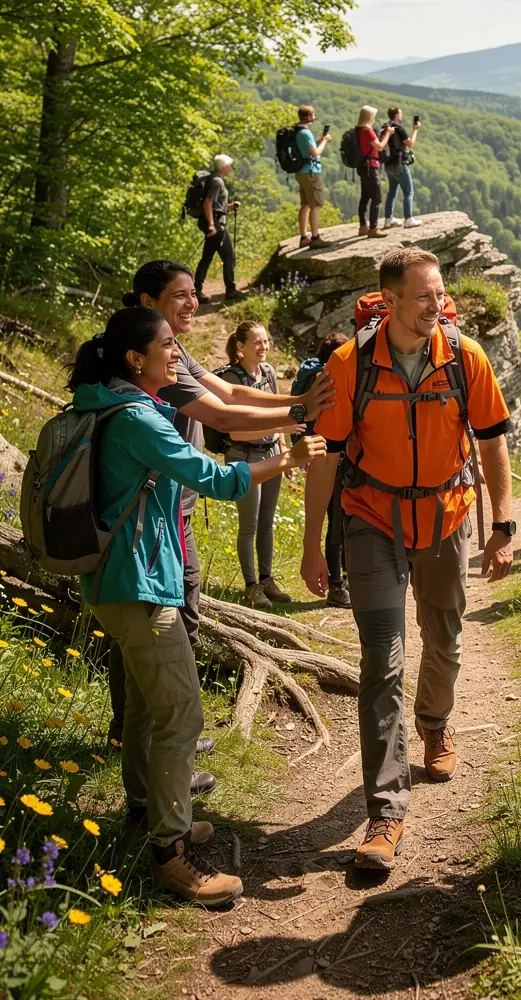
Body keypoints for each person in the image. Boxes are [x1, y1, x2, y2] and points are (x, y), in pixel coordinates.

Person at [69, 307, 326, 904]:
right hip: (136, 586)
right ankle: (171, 853)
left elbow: (225, 410)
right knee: (182, 716)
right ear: (137, 359)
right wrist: (287, 457)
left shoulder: (112, 401)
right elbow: (214, 477)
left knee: (141, 708)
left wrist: (287, 424)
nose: (178, 356)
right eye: (168, 348)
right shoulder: (136, 417)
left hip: (122, 580)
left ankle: (147, 815)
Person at [301, 245, 515, 871]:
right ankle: (385, 813)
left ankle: (436, 722)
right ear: (390, 301)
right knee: (382, 663)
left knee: (444, 638)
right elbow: (328, 454)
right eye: (423, 296)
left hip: (447, 517)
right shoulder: (350, 365)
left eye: (439, 293)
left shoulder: (463, 357)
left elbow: (494, 436)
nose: (436, 305)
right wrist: (315, 541)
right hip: (372, 520)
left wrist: (502, 522)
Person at [107, 260, 335, 771]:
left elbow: (231, 393)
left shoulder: (169, 349)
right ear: (147, 303)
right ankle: (153, 745)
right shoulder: (148, 363)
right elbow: (224, 416)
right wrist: (300, 413)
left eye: (195, 293)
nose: (193, 303)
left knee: (169, 626)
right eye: (180, 295)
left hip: (172, 514)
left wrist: (298, 400)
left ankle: (159, 741)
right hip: (152, 521)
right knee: (160, 632)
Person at [221, 321, 292, 606]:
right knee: (248, 525)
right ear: (240, 347)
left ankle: (266, 580)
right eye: (257, 342)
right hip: (245, 457)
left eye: (266, 341)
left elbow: (276, 409)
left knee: (267, 522)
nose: (264, 347)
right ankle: (251, 587)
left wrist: (283, 447)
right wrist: (271, 431)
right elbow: (235, 431)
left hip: (272, 453)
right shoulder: (231, 378)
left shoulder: (269, 372)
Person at [291, 332, 351, 609]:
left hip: (320, 456)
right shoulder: (328, 381)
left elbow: (298, 413)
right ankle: (337, 585)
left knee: (337, 521)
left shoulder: (311, 376)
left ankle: (342, 582)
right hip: (331, 458)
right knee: (338, 523)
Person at [194, 154, 241, 304]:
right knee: (228, 257)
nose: (230, 168)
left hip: (214, 223)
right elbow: (208, 203)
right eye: (229, 166)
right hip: (216, 226)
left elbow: (216, 207)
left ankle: (197, 290)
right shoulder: (217, 182)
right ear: (223, 167)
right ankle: (231, 291)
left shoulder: (214, 179)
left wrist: (230, 207)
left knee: (207, 258)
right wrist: (212, 225)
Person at [293, 105, 331, 249]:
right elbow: (315, 153)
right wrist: (325, 140)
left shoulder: (297, 131)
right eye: (313, 114)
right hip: (310, 171)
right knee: (315, 204)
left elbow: (307, 150)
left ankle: (304, 237)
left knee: (305, 204)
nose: (314, 117)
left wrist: (318, 139)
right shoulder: (305, 133)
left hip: (300, 172)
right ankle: (315, 238)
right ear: (309, 116)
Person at [356, 105, 394, 240]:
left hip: (362, 167)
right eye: (373, 115)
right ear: (369, 116)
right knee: (377, 198)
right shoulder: (367, 130)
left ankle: (363, 226)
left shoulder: (358, 130)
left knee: (365, 197)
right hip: (370, 167)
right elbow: (380, 146)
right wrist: (388, 134)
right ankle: (373, 228)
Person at [382, 107, 422, 229]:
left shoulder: (385, 127)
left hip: (388, 164)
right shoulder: (399, 128)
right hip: (399, 164)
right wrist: (415, 130)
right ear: (397, 115)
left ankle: (388, 219)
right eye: (401, 113)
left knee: (392, 192)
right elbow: (410, 144)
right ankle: (408, 219)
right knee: (408, 191)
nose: (402, 115)